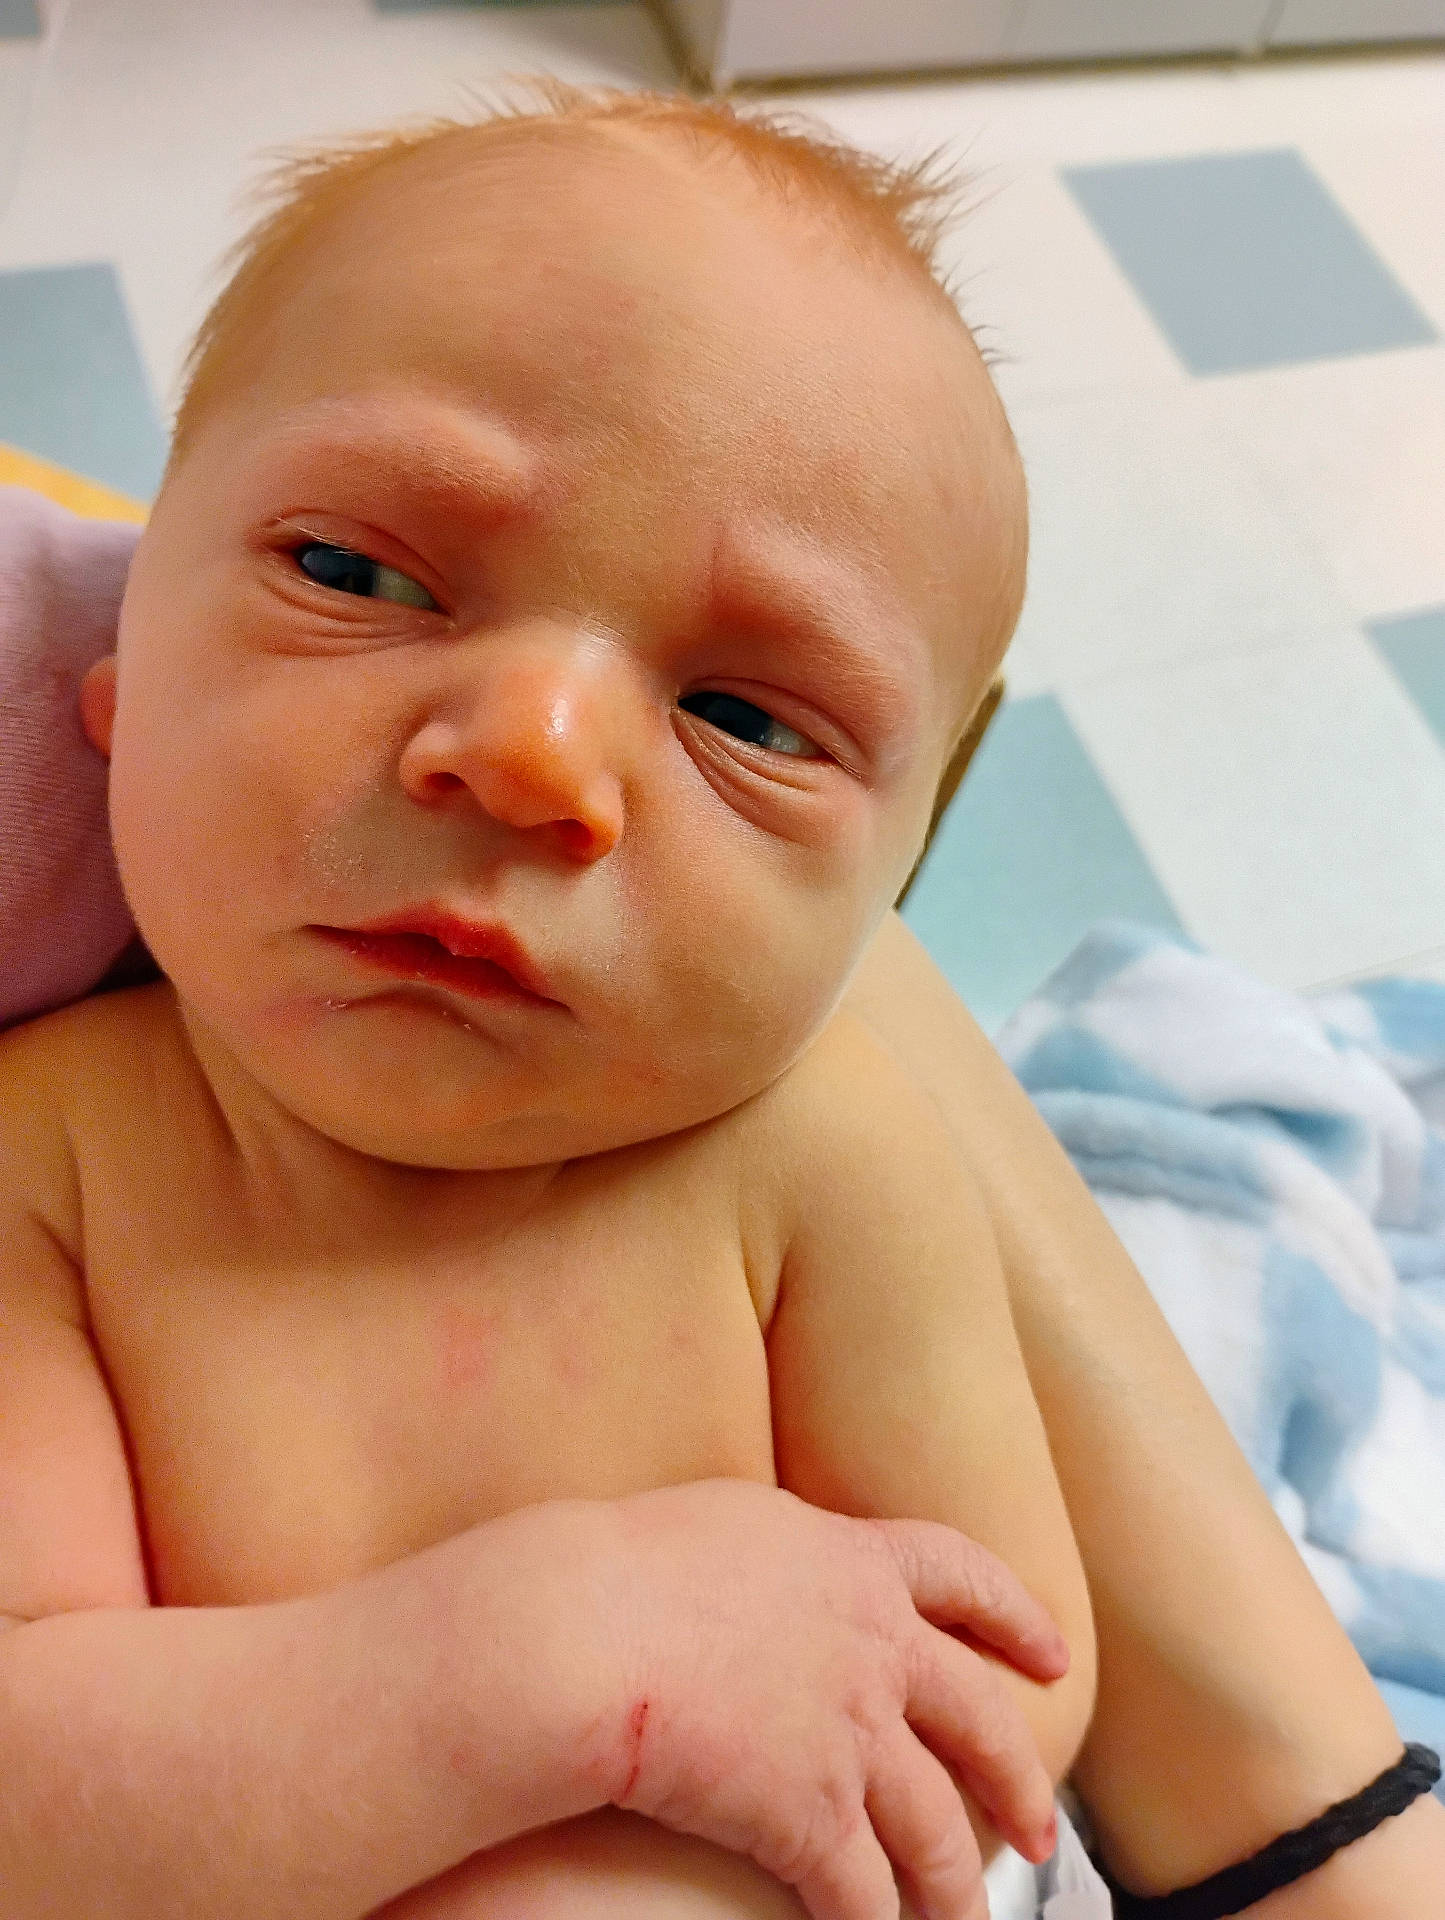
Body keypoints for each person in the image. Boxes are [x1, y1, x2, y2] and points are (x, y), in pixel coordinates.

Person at [0, 82, 1439, 1920]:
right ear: (112, 664)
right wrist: (546, 1667)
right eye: (358, 575)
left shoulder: (820, 1153)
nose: (533, 756)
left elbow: (1005, 1673)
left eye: (747, 719)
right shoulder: (53, 1166)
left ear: (887, 890)